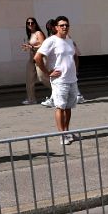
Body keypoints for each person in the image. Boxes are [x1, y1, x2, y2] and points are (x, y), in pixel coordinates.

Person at [34, 16, 80, 144]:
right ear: (56, 27)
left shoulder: (69, 40)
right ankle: (62, 136)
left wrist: (75, 69)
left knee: (69, 107)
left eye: (67, 25)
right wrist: (48, 72)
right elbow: (38, 57)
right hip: (59, 80)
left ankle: (67, 132)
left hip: (72, 79)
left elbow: (75, 56)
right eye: (62, 25)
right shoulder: (51, 41)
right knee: (60, 107)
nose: (65, 27)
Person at [21, 17, 46, 105]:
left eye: (32, 23)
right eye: (28, 23)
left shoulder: (38, 33)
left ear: (35, 24)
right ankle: (31, 99)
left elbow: (44, 45)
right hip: (31, 59)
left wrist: (32, 47)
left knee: (43, 78)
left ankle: (58, 94)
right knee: (29, 80)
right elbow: (31, 46)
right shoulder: (30, 34)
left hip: (39, 58)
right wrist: (27, 47)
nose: (30, 25)